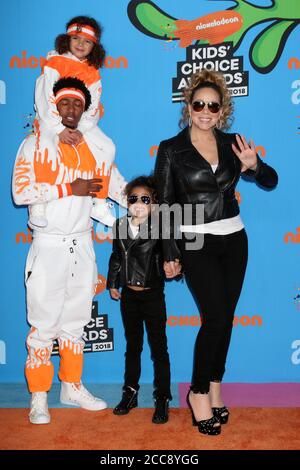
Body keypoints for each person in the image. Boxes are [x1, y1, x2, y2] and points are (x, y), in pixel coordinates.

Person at [154, 70, 278, 435]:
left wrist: (255, 165)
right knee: (215, 318)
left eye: (213, 105)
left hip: (234, 239)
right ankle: (198, 392)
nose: (205, 111)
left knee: (225, 319)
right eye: (199, 104)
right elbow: (163, 206)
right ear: (188, 107)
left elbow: (271, 180)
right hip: (196, 242)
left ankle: (216, 388)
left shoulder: (233, 143)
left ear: (222, 109)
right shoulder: (171, 149)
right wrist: (169, 252)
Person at [12, 77, 127, 425]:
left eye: (78, 104)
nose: (71, 109)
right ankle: (39, 396)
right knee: (44, 325)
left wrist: (150, 203)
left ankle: (71, 386)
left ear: (85, 109)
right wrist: (67, 187)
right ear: (53, 106)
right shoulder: (33, 144)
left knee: (76, 322)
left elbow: (116, 187)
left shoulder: (92, 148)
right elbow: (21, 194)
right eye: (65, 103)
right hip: (48, 247)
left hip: (82, 243)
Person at [30, 15, 118, 228]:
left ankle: (99, 201)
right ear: (66, 39)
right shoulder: (54, 62)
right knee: (45, 147)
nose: (81, 45)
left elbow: (93, 107)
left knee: (107, 147)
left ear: (94, 47)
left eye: (87, 41)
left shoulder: (93, 72)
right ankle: (37, 205)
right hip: (51, 121)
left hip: (80, 123)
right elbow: (44, 98)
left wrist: (82, 129)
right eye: (76, 38)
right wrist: (59, 128)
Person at [107, 176, 179, 424]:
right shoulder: (120, 226)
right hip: (128, 297)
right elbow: (116, 257)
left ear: (154, 203)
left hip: (152, 296)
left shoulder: (161, 228)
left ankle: (162, 397)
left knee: (159, 348)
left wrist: (175, 267)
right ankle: (130, 392)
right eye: (133, 199)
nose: (138, 204)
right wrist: (113, 283)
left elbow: (173, 256)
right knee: (133, 347)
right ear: (127, 202)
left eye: (145, 199)